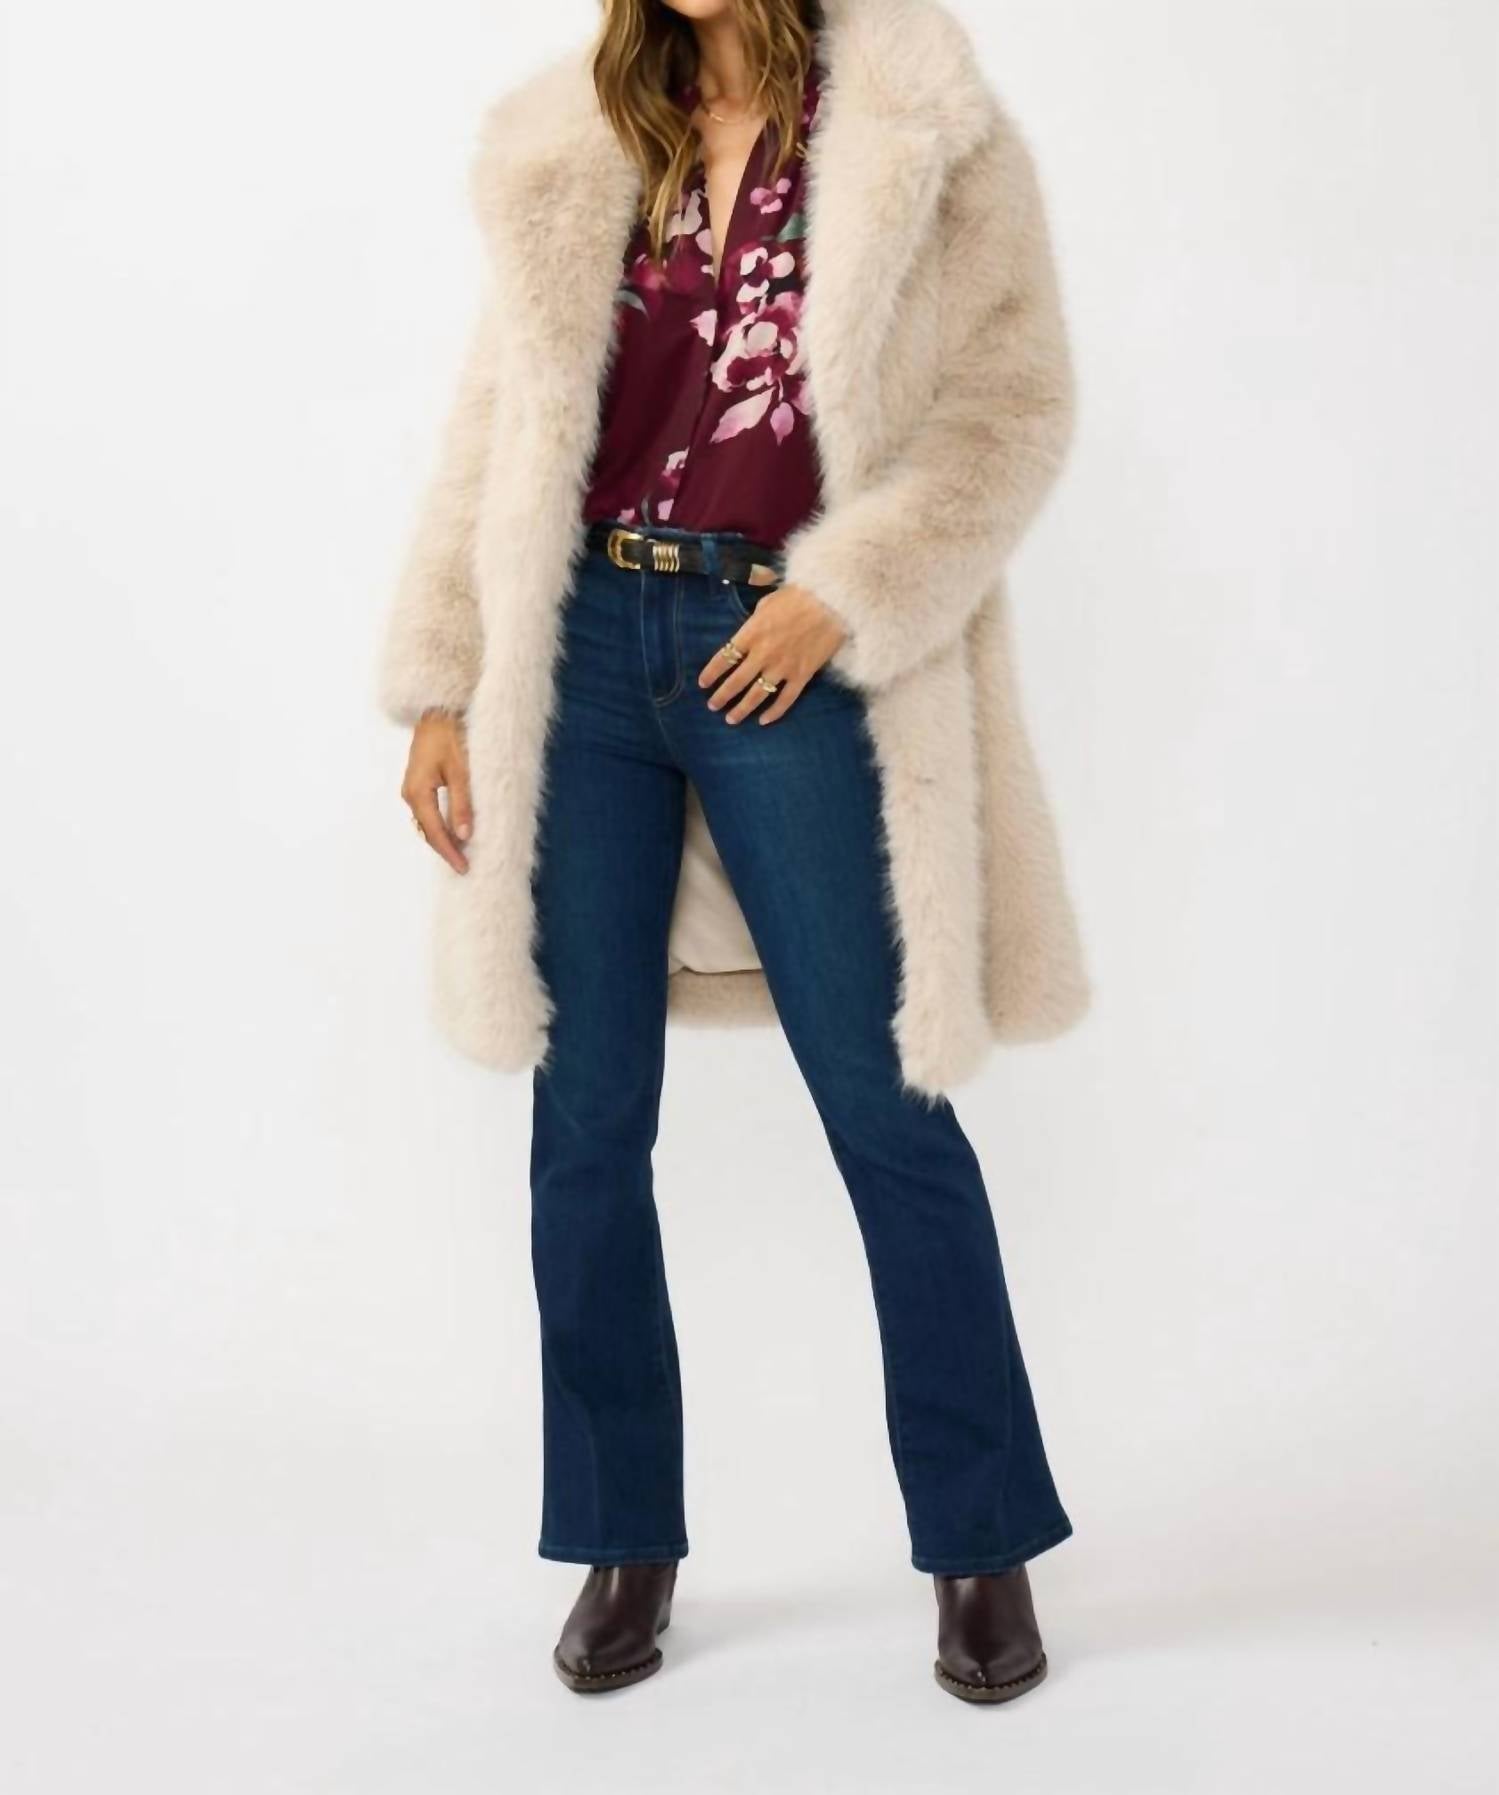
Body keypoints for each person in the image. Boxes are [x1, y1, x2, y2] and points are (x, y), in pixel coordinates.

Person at [380, 0, 1087, 1702]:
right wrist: (445, 677)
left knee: (885, 1105)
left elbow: (1013, 408)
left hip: (785, 641)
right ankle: (625, 1534)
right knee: (586, 1119)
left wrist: (846, 589)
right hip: (581, 649)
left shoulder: (924, 125)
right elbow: (498, 421)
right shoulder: (577, 131)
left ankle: (980, 1541)